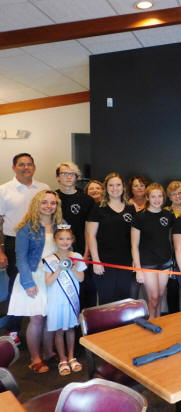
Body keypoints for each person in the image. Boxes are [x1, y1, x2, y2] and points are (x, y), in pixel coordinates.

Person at [7, 190, 62, 373]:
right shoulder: (26, 228)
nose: (49, 206)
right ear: (36, 204)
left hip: (54, 276)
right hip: (33, 275)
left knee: (49, 316)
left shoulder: (60, 225)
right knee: (37, 318)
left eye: (52, 203)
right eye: (44, 202)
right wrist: (28, 283)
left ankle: (48, 352)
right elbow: (20, 258)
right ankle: (35, 358)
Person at [0, 153, 49, 345]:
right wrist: (0, 251)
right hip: (15, 242)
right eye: (21, 164)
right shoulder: (4, 190)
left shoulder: (43, 188)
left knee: (42, 281)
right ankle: (13, 330)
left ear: (34, 167)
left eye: (29, 164)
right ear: (14, 167)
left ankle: (40, 324)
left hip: (40, 241)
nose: (26, 167)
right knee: (17, 284)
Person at [43, 226, 86, 376]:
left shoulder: (77, 256)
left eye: (68, 238)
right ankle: (62, 359)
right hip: (56, 300)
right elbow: (48, 282)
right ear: (55, 240)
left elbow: (81, 279)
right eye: (61, 238)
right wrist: (59, 268)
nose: (65, 241)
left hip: (71, 300)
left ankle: (72, 357)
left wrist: (73, 268)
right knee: (60, 330)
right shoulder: (49, 260)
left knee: (71, 329)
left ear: (72, 240)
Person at [86, 173, 135, 304]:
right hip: (104, 262)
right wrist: (96, 261)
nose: (115, 188)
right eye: (111, 185)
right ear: (106, 188)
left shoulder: (130, 208)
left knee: (123, 300)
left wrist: (135, 260)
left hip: (125, 261)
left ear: (123, 187)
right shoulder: (98, 208)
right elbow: (91, 236)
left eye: (118, 185)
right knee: (106, 301)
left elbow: (134, 237)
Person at [54, 162, 96, 309]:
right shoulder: (53, 199)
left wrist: (86, 253)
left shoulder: (87, 200)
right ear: (58, 177)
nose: (68, 177)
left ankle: (86, 321)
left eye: (72, 174)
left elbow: (89, 229)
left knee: (86, 288)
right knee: (62, 288)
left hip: (82, 251)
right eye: (64, 173)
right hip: (58, 252)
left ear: (77, 177)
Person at [131, 183, 174, 318]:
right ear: (147, 197)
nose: (157, 199)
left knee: (160, 296)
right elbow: (134, 245)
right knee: (153, 298)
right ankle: (151, 324)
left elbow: (170, 240)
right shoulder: (140, 217)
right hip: (147, 263)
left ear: (163, 197)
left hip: (165, 262)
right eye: (153, 196)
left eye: (159, 196)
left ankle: (158, 322)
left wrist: (171, 263)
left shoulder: (168, 215)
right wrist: (138, 268)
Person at [164, 180, 181, 313]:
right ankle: (173, 317)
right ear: (169, 197)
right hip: (170, 256)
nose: (177, 196)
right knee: (172, 290)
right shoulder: (165, 212)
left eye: (180, 193)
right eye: (174, 194)